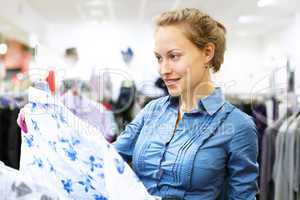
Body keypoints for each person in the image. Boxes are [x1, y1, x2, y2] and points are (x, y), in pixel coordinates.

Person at [18, 8, 258, 200]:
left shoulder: (238, 126)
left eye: (174, 56)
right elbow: (104, 157)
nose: (163, 70)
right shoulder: (153, 110)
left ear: (207, 53)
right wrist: (47, 124)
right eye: (159, 58)